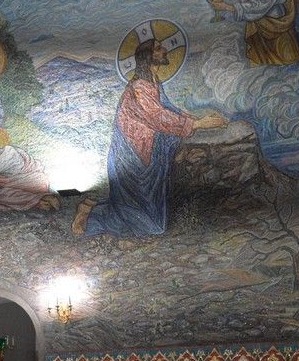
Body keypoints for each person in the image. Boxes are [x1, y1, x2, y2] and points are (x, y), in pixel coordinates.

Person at [72, 38, 227, 238]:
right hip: (131, 158)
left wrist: (199, 120)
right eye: (158, 49)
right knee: (145, 223)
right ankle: (90, 218)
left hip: (146, 155)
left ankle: (92, 208)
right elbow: (157, 117)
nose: (164, 51)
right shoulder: (138, 88)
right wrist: (197, 124)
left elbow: (168, 109)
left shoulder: (154, 82)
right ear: (148, 57)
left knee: (149, 219)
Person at [211, 0, 299, 65]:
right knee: (263, 66)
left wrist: (229, 7)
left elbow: (262, 3)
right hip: (259, 26)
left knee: (285, 65)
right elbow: (253, 1)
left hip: (273, 25)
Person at [0, 140, 59, 213]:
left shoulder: (8, 152)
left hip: (33, 182)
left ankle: (44, 197)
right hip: (19, 184)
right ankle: (40, 202)